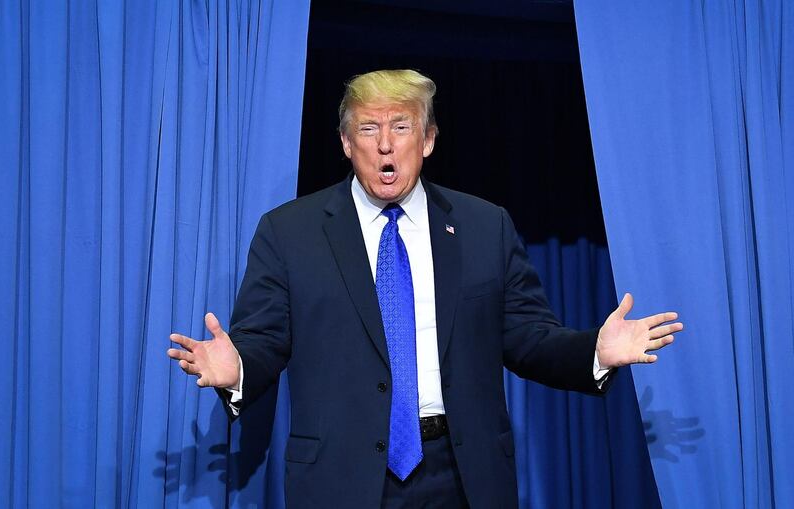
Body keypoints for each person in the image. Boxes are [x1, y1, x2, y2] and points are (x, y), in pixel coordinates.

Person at [167, 69, 682, 508]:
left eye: (401, 126)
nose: (385, 143)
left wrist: (595, 350)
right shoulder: (289, 232)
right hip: (341, 478)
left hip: (462, 475)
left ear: (428, 139)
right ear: (346, 143)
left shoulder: (485, 226)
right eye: (368, 128)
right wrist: (236, 369)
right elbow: (264, 339)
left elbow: (528, 338)